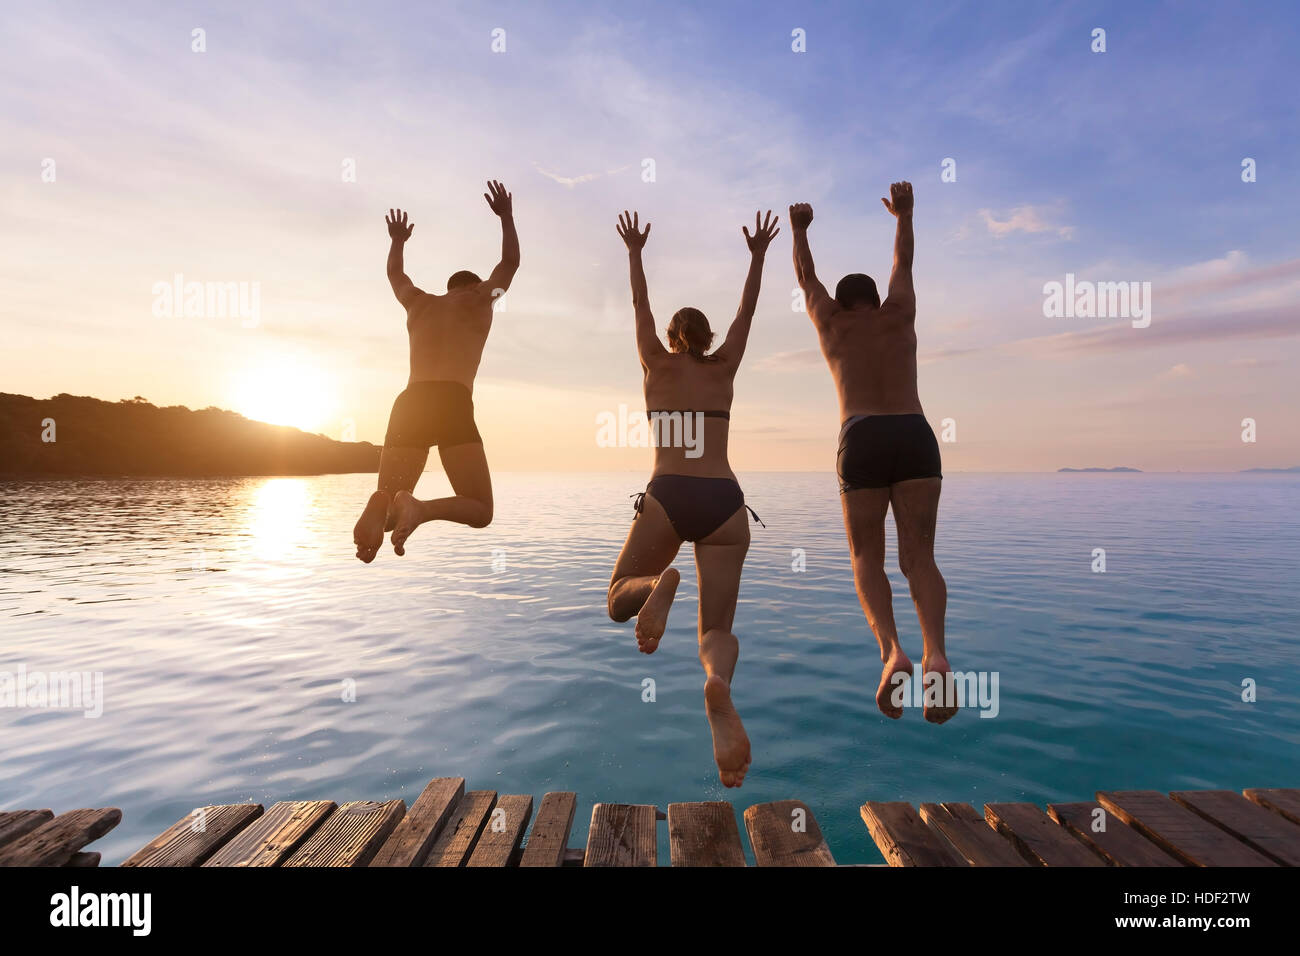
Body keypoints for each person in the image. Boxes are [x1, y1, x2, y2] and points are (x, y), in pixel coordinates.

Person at [605, 210, 778, 787]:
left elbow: (639, 307)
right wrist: (757, 255)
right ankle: (719, 687)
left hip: (670, 494)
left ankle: (658, 584)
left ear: (674, 339)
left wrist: (635, 251)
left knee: (616, 599)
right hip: (725, 501)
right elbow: (746, 312)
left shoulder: (655, 362)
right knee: (716, 630)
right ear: (708, 341)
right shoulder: (725, 366)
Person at [789, 183, 957, 723]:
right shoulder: (900, 312)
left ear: (840, 303)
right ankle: (936, 654)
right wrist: (904, 215)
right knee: (920, 559)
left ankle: (892, 653)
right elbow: (903, 261)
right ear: (877, 299)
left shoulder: (831, 322)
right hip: (913, 432)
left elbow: (804, 278)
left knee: (867, 557)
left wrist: (799, 230)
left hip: (860, 436)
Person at [352, 181, 519, 562]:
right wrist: (506, 216)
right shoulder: (481, 300)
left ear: (448, 289)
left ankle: (383, 508)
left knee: (390, 510)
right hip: (451, 401)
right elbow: (509, 264)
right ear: (475, 286)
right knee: (480, 509)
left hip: (410, 401)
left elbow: (396, 276)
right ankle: (423, 509)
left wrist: (397, 240)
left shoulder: (419, 303)